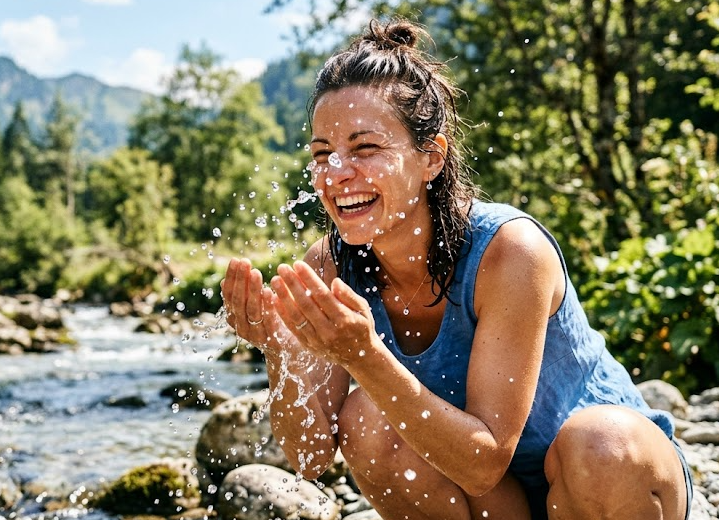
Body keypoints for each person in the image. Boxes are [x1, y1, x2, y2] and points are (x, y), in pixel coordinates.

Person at [221, 18, 693, 520]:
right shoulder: (329, 264)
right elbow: (310, 458)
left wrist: (364, 356)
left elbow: (485, 462)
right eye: (323, 154)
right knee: (365, 420)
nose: (336, 174)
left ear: (432, 158)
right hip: (501, 504)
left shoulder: (510, 251)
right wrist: (280, 350)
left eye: (365, 149)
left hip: (613, 482)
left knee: (600, 442)